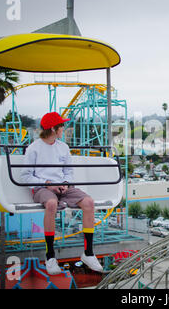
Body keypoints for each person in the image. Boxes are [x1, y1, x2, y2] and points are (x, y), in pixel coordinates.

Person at [21, 112, 103, 275]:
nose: (64, 128)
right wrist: (47, 184)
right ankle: (50, 256)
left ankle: (88, 253)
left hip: (62, 187)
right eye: (61, 126)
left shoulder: (63, 147)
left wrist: (65, 183)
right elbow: (25, 176)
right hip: (42, 188)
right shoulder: (34, 148)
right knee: (51, 204)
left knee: (89, 203)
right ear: (53, 128)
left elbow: (68, 171)